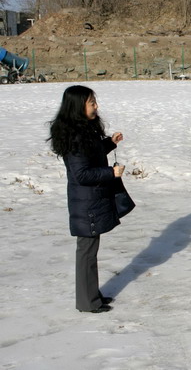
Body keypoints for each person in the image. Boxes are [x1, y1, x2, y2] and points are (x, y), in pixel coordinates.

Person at [48, 85, 126, 313]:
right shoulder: (74, 136)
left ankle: (92, 295)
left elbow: (90, 155)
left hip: (91, 201)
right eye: (92, 103)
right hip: (86, 203)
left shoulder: (83, 130)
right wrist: (110, 173)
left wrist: (110, 143)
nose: (96, 106)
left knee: (90, 251)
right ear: (78, 106)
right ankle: (87, 302)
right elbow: (82, 174)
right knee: (86, 253)